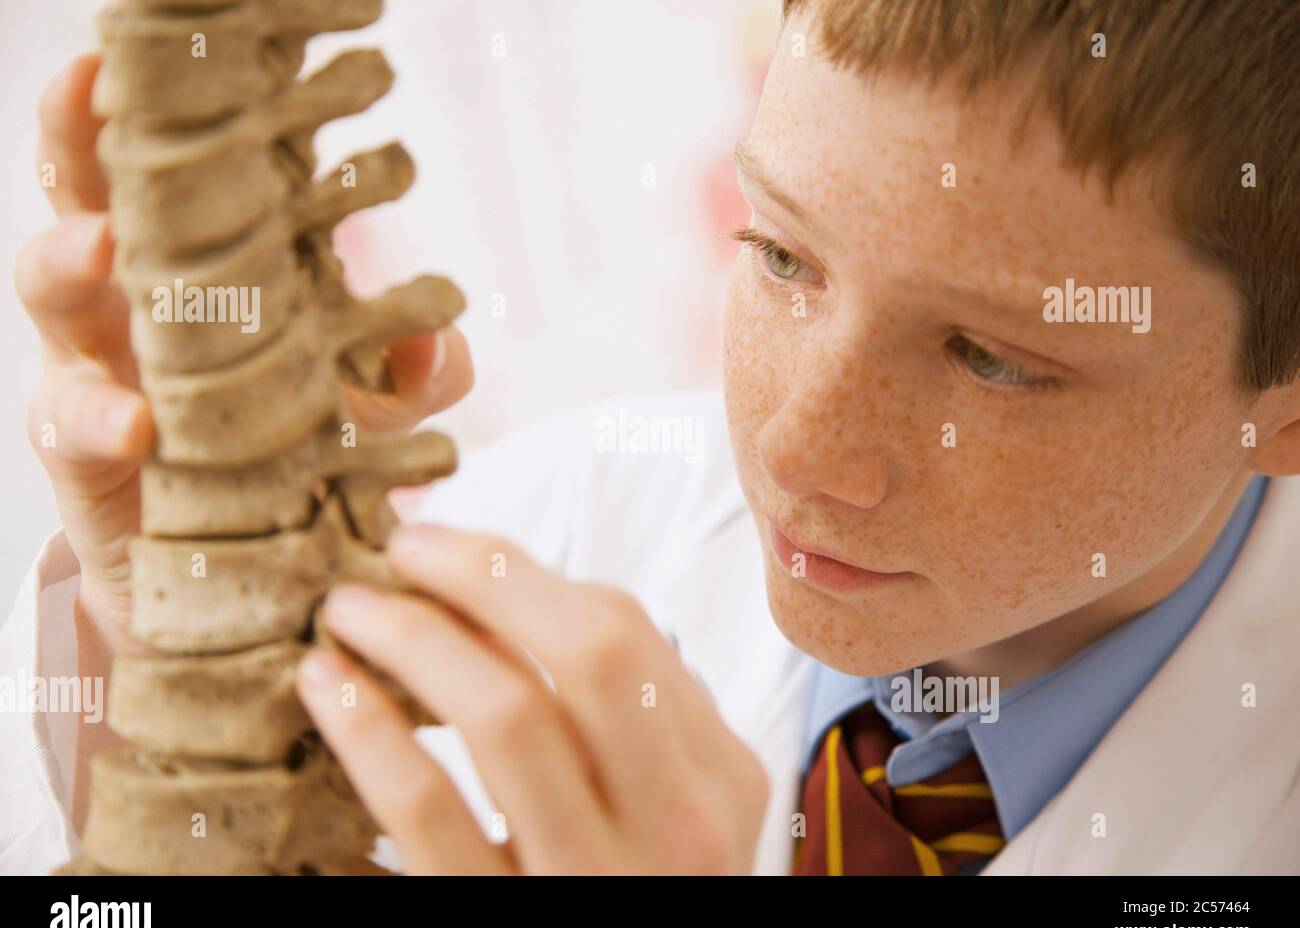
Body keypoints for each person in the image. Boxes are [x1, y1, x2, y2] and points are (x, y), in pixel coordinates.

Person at [4, 0, 1299, 875]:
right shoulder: (572, 515)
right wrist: (183, 660)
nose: (798, 454)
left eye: (996, 358)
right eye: (782, 252)